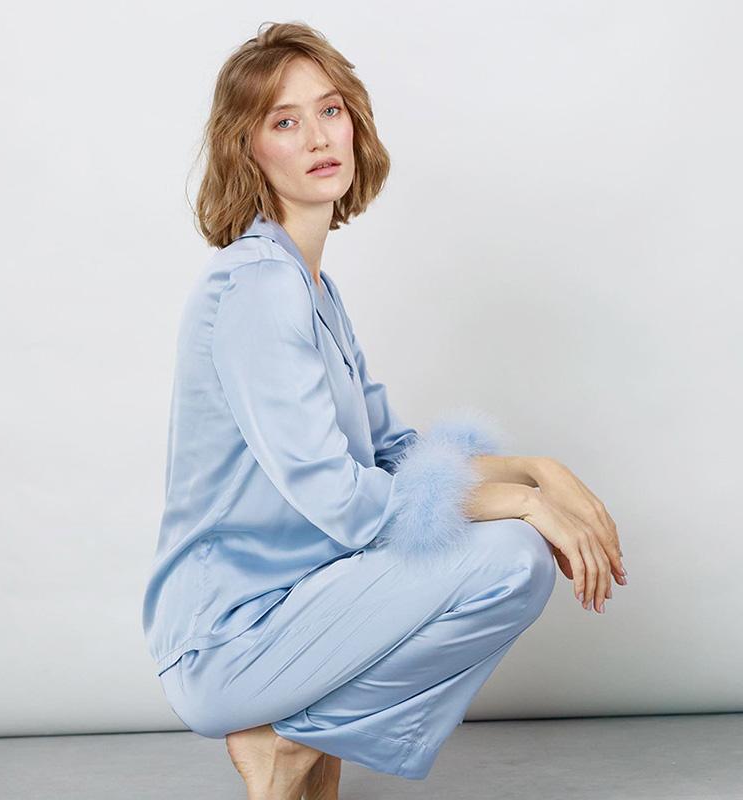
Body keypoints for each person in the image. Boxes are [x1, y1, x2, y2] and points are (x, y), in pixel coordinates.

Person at [141, 20, 627, 800]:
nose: (317, 137)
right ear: (247, 149)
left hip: (305, 608)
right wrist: (525, 505)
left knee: (513, 547)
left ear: (354, 122)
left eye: (329, 110)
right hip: (232, 636)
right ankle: (292, 740)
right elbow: (342, 498)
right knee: (512, 557)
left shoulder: (311, 288)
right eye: (284, 121)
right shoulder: (257, 287)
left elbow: (393, 455)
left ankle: (296, 735)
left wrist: (538, 469)